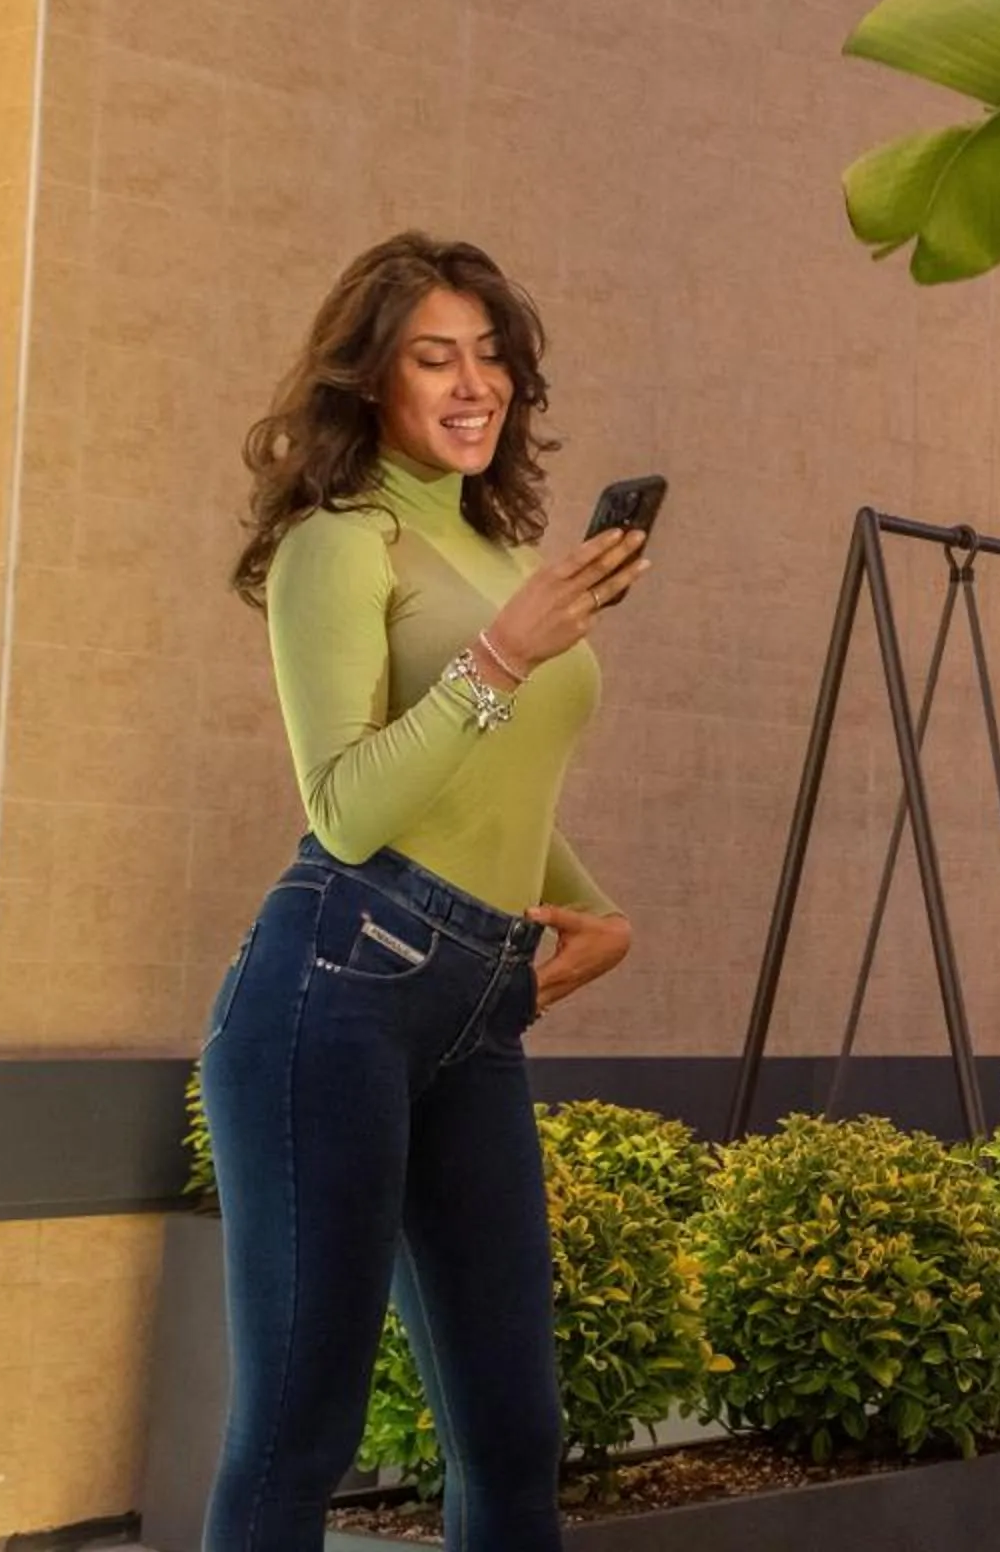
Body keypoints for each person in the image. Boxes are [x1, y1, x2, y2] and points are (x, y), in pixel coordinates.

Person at [203, 234, 650, 1551]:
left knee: (518, 1438)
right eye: (435, 357)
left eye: (494, 357)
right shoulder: (338, 546)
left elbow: (501, 786)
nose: (476, 384)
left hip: (474, 1012)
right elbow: (346, 810)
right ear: (372, 381)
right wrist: (501, 658)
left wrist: (599, 910)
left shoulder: (510, 560)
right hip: (335, 989)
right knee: (298, 1439)